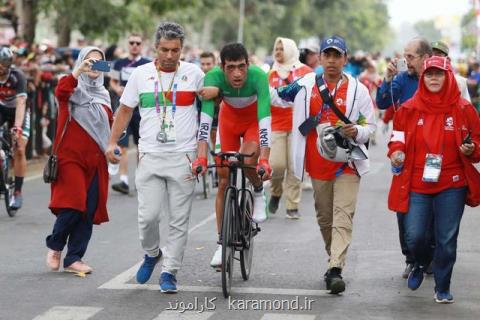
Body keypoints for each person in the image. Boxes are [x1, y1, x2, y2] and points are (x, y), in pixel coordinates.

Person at [106, 22, 204, 293]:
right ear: (155, 48)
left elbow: (208, 110)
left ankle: (170, 271)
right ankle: (151, 253)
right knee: (147, 217)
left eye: (175, 50)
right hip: (149, 155)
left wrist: (204, 151)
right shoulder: (140, 74)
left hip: (183, 156)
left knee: (178, 220)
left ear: (182, 49)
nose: (170, 56)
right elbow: (125, 110)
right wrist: (113, 141)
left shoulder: (195, 74)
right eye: (164, 50)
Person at [279, 35, 375, 294]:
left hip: (348, 164)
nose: (332, 61)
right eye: (327, 55)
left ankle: (335, 269)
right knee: (325, 218)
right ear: (320, 58)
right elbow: (278, 97)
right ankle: (334, 257)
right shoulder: (306, 84)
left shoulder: (359, 90)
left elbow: (371, 127)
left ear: (345, 59)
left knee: (343, 216)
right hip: (317, 164)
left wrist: (357, 131)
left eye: (337, 56)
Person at [387, 56, 480, 303]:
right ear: (423, 78)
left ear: (448, 76)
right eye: (430, 74)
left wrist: (472, 149)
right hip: (417, 182)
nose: (434, 78)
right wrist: (396, 151)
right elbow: (397, 139)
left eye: (439, 74)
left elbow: (477, 143)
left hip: (453, 183)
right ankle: (419, 262)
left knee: (446, 240)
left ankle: (443, 286)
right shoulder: (408, 109)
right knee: (415, 236)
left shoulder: (464, 109)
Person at [193, 43, 272, 268]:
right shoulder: (212, 78)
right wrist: (200, 157)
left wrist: (264, 159)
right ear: (222, 67)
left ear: (248, 65)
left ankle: (257, 191)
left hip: (253, 122)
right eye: (230, 68)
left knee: (248, 161)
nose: (237, 73)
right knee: (223, 176)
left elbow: (265, 119)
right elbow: (206, 122)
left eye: (241, 67)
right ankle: (222, 242)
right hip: (228, 122)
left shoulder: (258, 77)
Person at [45, 47, 113, 274]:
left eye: (99, 62)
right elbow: (61, 92)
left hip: (96, 160)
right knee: (73, 204)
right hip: (70, 157)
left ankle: (74, 257)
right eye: (89, 62)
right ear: (81, 63)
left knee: (88, 209)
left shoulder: (104, 94)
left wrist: (114, 146)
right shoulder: (71, 89)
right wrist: (76, 72)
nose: (93, 66)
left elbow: (109, 127)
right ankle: (55, 245)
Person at [376, 38, 432, 278]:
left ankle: (430, 254)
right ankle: (410, 257)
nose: (405, 61)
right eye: (405, 56)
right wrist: (387, 79)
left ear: (425, 58)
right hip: (403, 152)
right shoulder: (400, 80)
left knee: (433, 203)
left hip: (432, 153)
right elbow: (381, 102)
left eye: (410, 57)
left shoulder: (436, 79)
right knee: (403, 205)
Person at [268, 37, 311, 219]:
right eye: (276, 49)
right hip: (276, 125)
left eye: (281, 48)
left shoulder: (306, 72)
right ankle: (276, 192)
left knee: (295, 167)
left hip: (298, 127)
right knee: (276, 166)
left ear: (290, 50)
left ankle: (292, 204)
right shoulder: (270, 75)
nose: (278, 52)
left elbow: (314, 99)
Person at [109, 34, 150, 195]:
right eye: (131, 42)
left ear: (141, 45)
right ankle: (124, 180)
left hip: (142, 110)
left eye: (137, 43)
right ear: (128, 44)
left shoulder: (147, 64)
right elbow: (112, 81)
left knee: (142, 146)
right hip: (124, 109)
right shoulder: (119, 63)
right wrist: (116, 88)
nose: (134, 45)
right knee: (122, 146)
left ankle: (141, 179)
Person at [0, 46, 29, 210]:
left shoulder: (18, 76)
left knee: (19, 149)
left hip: (20, 111)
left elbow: (21, 103)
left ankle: (17, 191)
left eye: (3, 64)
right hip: (2, 109)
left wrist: (17, 127)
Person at [198, 51, 220, 147]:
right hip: (200, 120)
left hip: (217, 120)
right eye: (203, 64)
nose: (205, 67)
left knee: (216, 147)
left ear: (214, 64)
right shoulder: (197, 78)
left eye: (208, 64)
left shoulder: (220, 78)